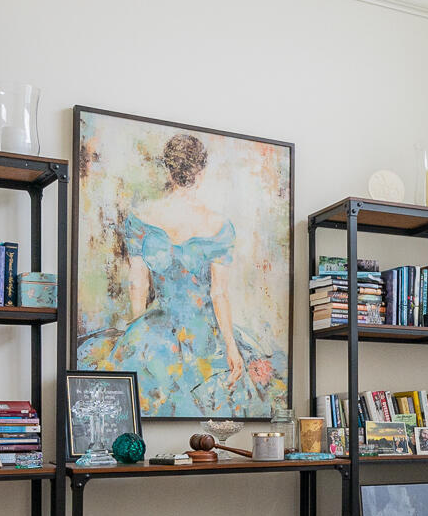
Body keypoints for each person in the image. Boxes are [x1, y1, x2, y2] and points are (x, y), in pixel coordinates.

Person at [78, 132, 283, 416]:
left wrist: (137, 332)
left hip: (157, 326)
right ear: (201, 171)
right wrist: (231, 346)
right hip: (205, 333)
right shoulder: (218, 225)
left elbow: (138, 285)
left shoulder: (141, 219)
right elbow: (219, 293)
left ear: (168, 169)